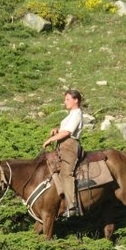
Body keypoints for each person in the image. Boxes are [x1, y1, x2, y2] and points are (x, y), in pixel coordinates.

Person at [42, 89, 84, 217]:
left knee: (66, 173)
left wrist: (51, 139)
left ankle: (72, 206)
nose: (65, 102)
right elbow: (63, 129)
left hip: (70, 146)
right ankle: (59, 197)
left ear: (76, 100)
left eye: (67, 99)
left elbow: (67, 132)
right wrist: (57, 130)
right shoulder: (71, 115)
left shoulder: (77, 113)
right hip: (62, 146)